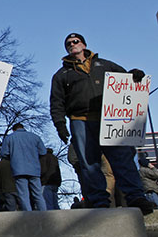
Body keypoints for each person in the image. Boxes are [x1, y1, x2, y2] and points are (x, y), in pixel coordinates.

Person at [50, 33, 153, 215]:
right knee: (89, 163)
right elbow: (56, 102)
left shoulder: (105, 65)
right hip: (81, 120)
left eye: (76, 41)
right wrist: (60, 125)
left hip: (110, 119)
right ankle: (99, 202)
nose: (72, 45)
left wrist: (135, 75)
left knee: (122, 159)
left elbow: (125, 80)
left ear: (84, 44)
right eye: (68, 44)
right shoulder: (61, 75)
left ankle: (136, 196)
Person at [0, 123, 47, 211]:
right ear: (23, 128)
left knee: (23, 195)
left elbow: (4, 153)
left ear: (14, 130)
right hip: (34, 169)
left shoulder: (9, 138)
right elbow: (43, 152)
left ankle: (28, 215)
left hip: (18, 169)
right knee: (38, 194)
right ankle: (44, 214)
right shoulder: (35, 137)